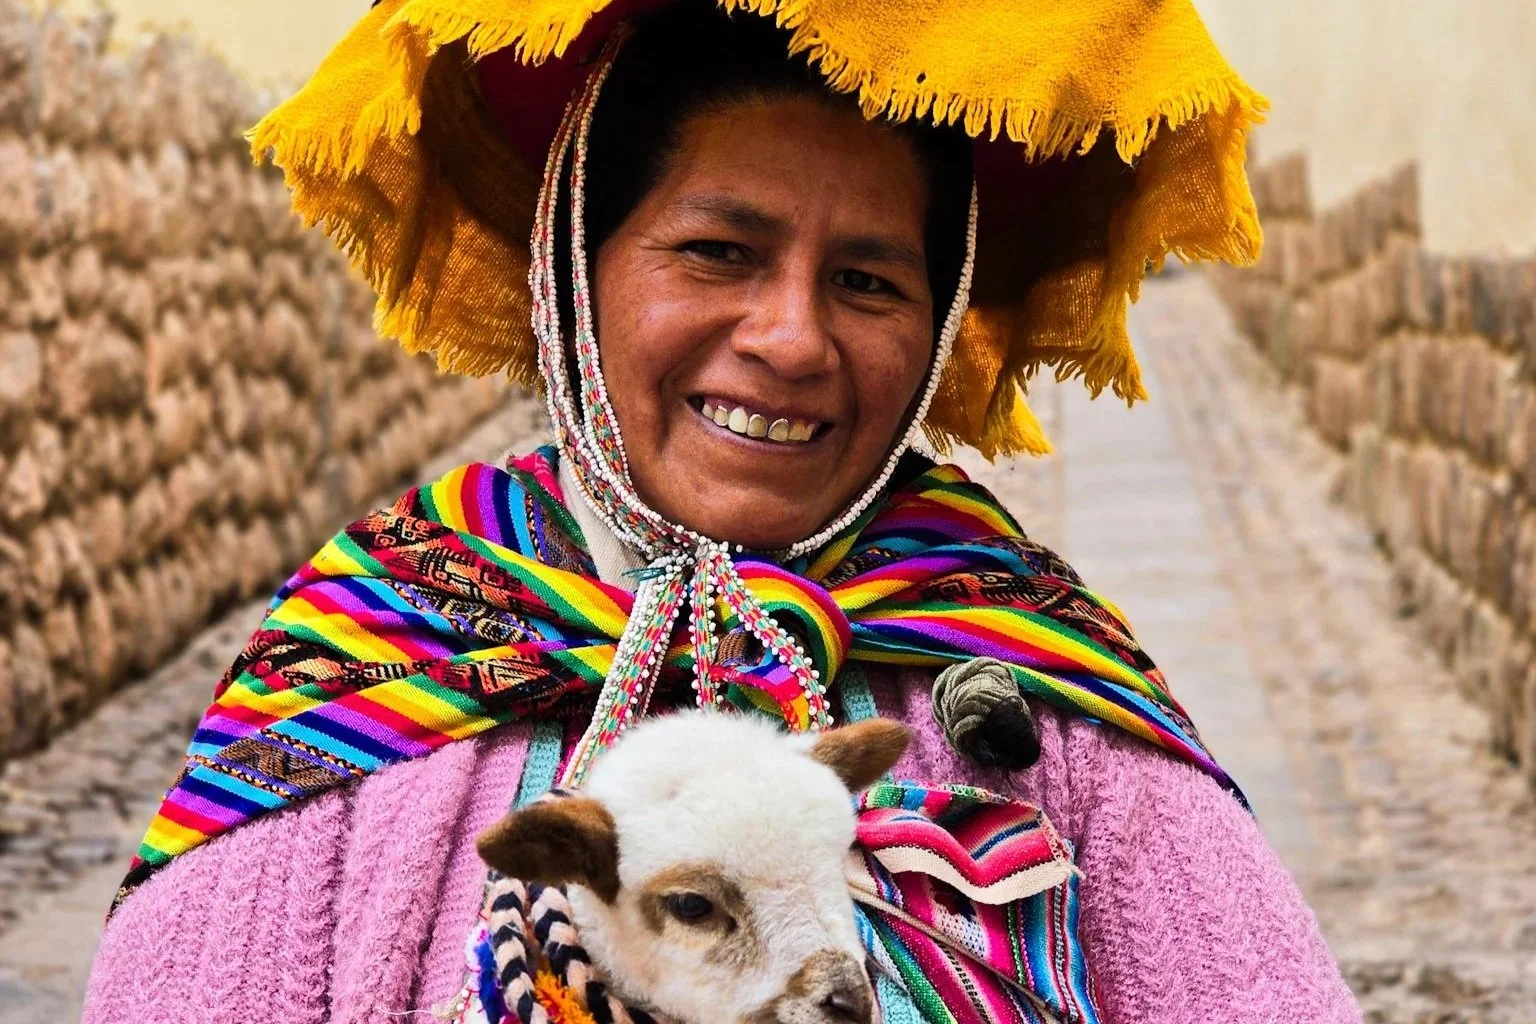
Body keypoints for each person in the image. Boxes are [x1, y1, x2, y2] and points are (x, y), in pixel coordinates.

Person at [83, 2, 1361, 1022]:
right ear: (574, 271)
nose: (792, 339)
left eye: (867, 280)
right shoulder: (378, 637)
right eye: (717, 252)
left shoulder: (1034, 666)